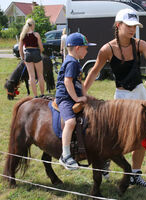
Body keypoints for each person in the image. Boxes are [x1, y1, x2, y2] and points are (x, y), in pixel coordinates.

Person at [83, 8, 146, 188]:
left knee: (144, 135)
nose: (133, 29)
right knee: (120, 136)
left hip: (140, 94)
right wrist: (81, 93)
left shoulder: (141, 44)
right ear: (118, 25)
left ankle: (135, 174)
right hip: (122, 98)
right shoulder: (106, 49)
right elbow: (94, 72)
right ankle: (108, 157)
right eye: (129, 26)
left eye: (135, 26)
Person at [56, 32, 96, 170]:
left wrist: (85, 96)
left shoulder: (75, 62)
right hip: (65, 98)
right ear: (78, 48)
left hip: (74, 95)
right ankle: (65, 155)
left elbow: (79, 82)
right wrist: (77, 99)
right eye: (86, 47)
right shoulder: (71, 62)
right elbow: (68, 82)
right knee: (70, 121)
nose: (87, 50)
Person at [19, 18, 45, 98]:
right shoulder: (36, 34)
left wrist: (23, 58)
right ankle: (42, 94)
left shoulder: (22, 35)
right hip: (36, 52)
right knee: (40, 75)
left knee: (31, 76)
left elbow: (20, 49)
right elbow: (41, 47)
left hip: (27, 54)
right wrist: (40, 52)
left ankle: (35, 95)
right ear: (33, 25)